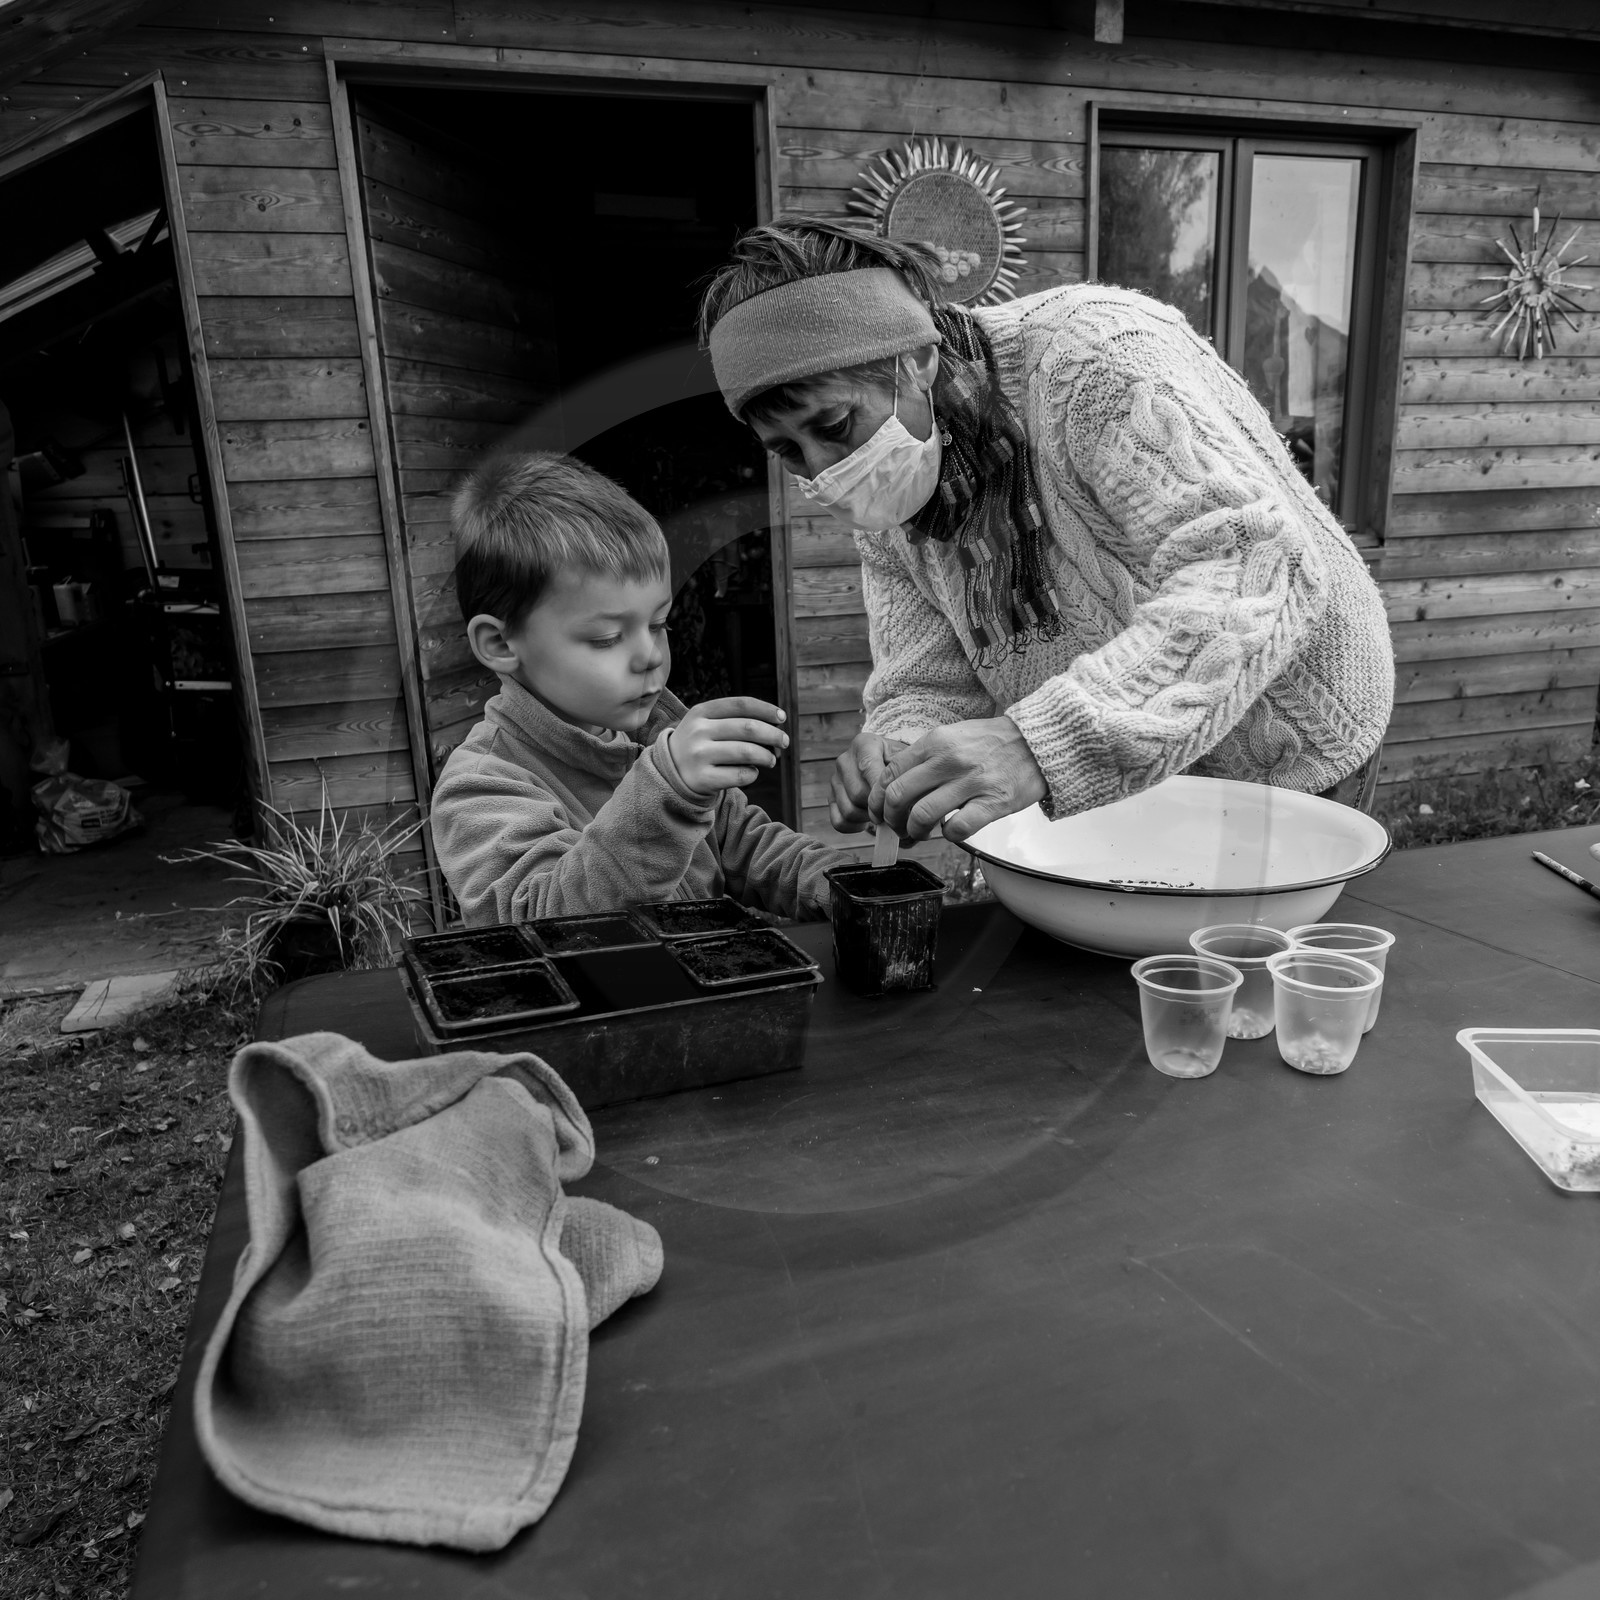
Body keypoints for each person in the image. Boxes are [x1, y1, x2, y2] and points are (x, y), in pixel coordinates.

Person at [699, 220, 1395, 845]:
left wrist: (1037, 745)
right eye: (788, 451)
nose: (827, 470)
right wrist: (898, 741)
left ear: (916, 360)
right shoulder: (888, 492)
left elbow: (1254, 565)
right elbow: (929, 676)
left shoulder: (1091, 360)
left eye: (833, 426)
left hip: (1286, 745)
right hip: (1118, 776)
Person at [430, 451, 845, 926]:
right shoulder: (483, 786)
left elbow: (745, 846)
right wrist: (667, 789)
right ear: (500, 642)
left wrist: (840, 886)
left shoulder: (652, 733)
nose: (649, 654)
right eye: (606, 637)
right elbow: (548, 924)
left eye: (658, 623)